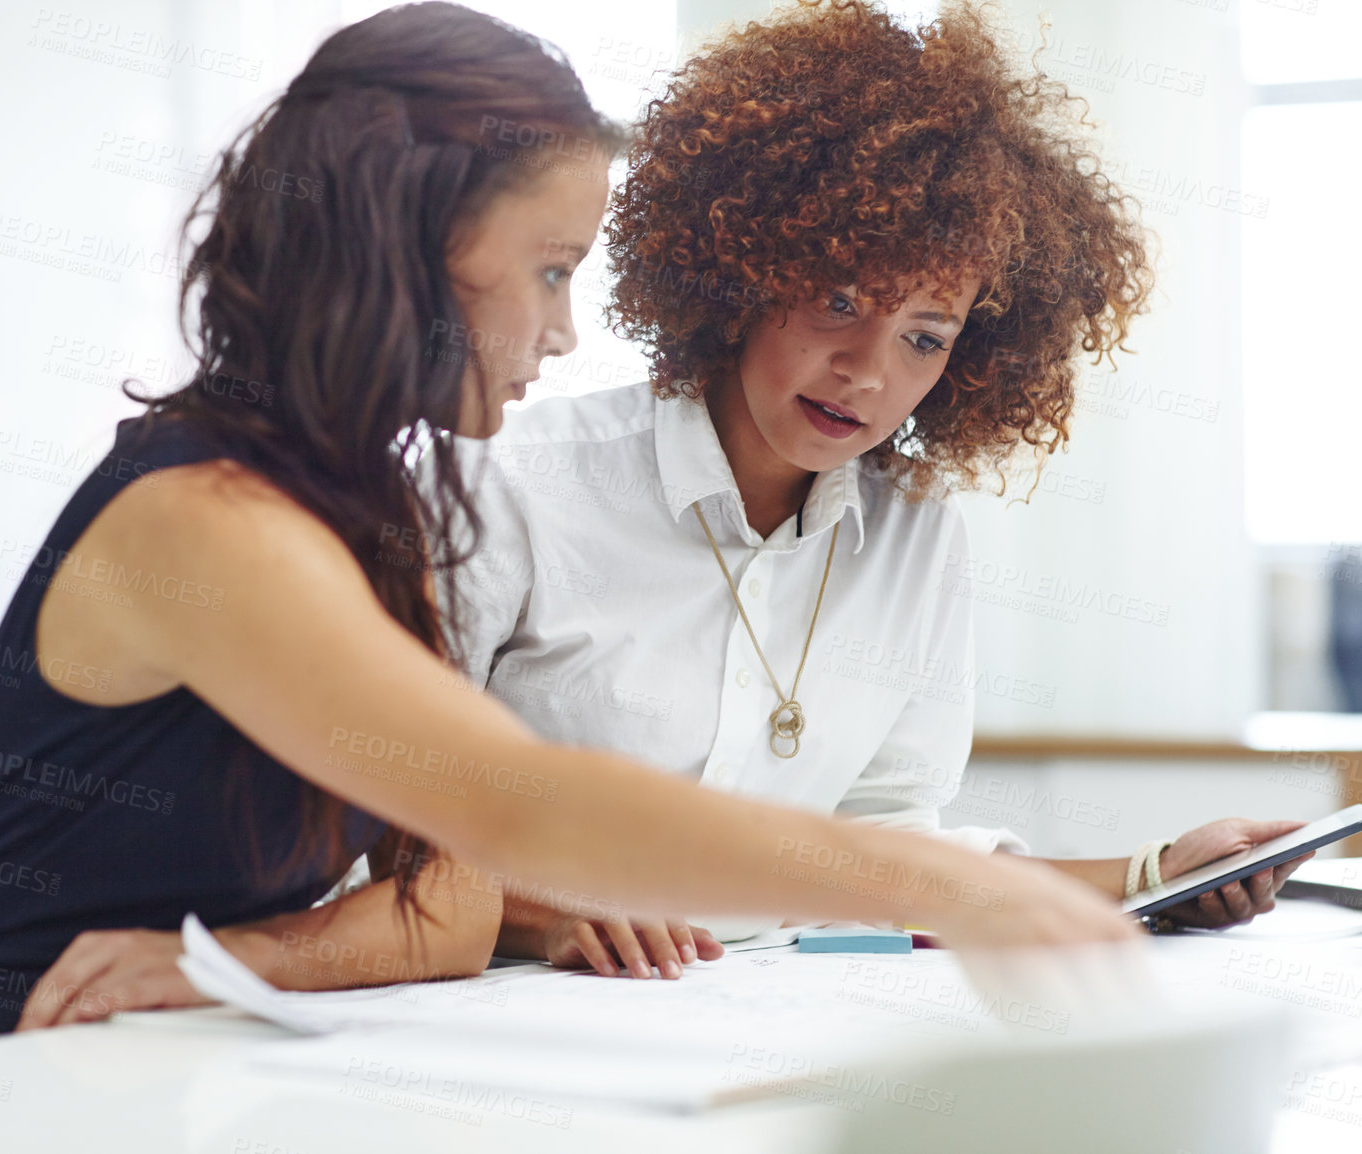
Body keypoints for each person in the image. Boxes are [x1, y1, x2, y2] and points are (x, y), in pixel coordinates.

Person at [0, 1, 1135, 1064]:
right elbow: (526, 805)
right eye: (551, 272)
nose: (565, 331)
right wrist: (948, 886)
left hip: (134, 1066)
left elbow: (450, 901)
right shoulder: (205, 518)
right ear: (410, 247)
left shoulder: (362, 511)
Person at [445, 0, 1307, 982]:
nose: (865, 370)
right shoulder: (514, 484)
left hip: (773, 1010)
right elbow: (370, 814)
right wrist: (536, 913)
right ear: (741, 271)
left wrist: (1156, 874)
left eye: (925, 337)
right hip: (519, 1026)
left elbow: (887, 841)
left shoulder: (913, 536)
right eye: (837, 302)